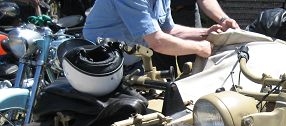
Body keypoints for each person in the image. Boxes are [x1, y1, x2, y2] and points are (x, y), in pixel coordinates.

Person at [82, 0, 237, 69]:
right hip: (98, 66)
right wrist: (200, 48)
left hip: (132, 64)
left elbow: (170, 30)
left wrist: (206, 32)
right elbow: (157, 41)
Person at [157, 0, 239, 72]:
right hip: (155, 14)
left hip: (186, 12)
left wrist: (223, 20)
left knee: (194, 67)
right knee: (161, 70)